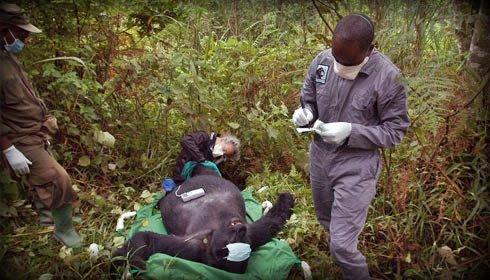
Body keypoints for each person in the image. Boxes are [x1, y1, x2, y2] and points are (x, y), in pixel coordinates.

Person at [292, 14, 410, 279]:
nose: (340, 67)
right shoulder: (323, 61)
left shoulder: (389, 78)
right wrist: (305, 112)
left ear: (369, 49)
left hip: (356, 167)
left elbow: (395, 132)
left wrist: (351, 132)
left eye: (349, 63)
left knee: (343, 245)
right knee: (327, 221)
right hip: (320, 158)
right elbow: (308, 95)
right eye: (337, 59)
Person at [0, 3, 81, 248]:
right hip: (18, 137)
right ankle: (64, 232)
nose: (25, 38)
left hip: (35, 132)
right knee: (58, 179)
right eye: (21, 33)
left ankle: (49, 220)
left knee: (41, 180)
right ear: (4, 29)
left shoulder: (7, 55)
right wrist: (7, 148)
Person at [171, 131, 240, 185]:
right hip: (180, 176)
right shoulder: (204, 137)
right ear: (222, 140)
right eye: (224, 149)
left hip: (196, 182)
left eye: (224, 154)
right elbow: (186, 140)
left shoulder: (217, 159)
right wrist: (200, 159)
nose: (222, 153)